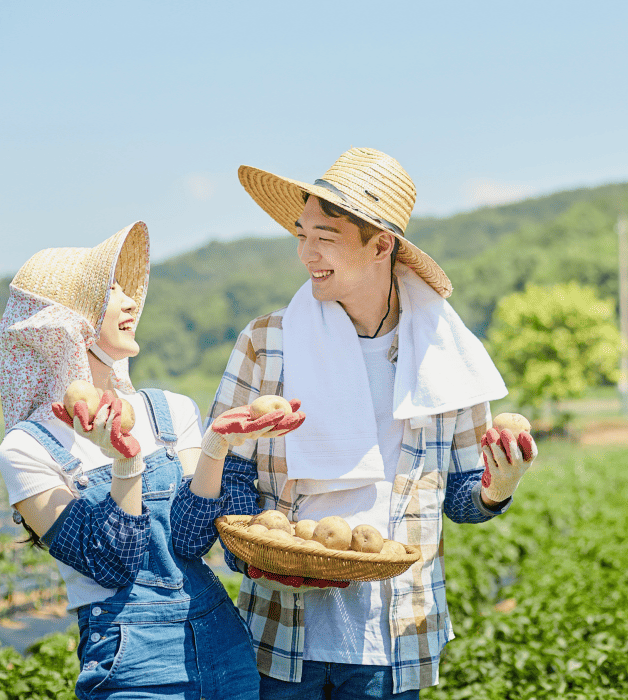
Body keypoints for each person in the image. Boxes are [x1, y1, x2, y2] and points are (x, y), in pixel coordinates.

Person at [210, 148, 539, 699]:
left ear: (381, 244)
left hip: (393, 635)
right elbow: (229, 472)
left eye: (326, 237)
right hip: (280, 629)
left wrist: (497, 486)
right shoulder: (268, 342)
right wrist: (257, 552)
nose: (306, 253)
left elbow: (457, 497)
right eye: (301, 235)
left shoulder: (443, 352)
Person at [0, 222, 304, 700]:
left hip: (223, 643)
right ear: (65, 323)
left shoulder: (171, 408)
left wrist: (216, 447)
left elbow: (189, 538)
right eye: (109, 292)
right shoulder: (26, 447)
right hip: (131, 663)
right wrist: (125, 463)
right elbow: (113, 563)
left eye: (126, 288)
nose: (130, 302)